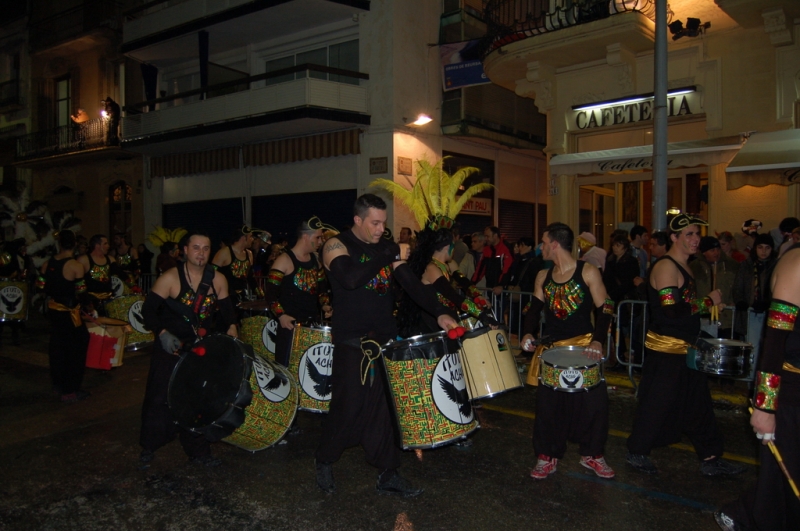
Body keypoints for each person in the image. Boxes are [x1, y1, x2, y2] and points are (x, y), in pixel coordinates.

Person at [314, 194, 457, 497]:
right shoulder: (335, 245)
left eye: (383, 223)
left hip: (384, 343)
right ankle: (325, 459)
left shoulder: (384, 249)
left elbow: (412, 284)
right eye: (374, 223)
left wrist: (440, 311)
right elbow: (350, 278)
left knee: (385, 411)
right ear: (358, 220)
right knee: (348, 407)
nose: (381, 229)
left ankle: (388, 472)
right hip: (352, 344)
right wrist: (388, 253)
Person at [626, 214, 745, 477]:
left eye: (697, 234)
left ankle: (711, 457)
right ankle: (637, 450)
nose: (695, 239)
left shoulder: (685, 266)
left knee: (698, 403)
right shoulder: (666, 267)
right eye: (688, 234)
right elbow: (671, 311)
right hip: (667, 351)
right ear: (674, 237)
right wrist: (707, 302)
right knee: (657, 403)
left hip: (686, 348)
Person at [714, 240, 800, 531]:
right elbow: (774, 344)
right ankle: (746, 515)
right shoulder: (796, 264)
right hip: (789, 390)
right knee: (786, 476)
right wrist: (765, 406)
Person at [521, 222, 616, 480]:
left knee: (592, 405)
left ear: (554, 244)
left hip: (584, 348)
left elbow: (605, 308)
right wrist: (527, 333)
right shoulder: (543, 275)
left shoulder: (588, 271)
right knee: (549, 407)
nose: (540, 247)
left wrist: (597, 341)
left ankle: (592, 455)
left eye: (543, 242)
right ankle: (547, 456)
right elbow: (534, 309)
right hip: (552, 352)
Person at [139, 231, 238, 467]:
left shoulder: (218, 279)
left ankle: (199, 452)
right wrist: (162, 333)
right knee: (159, 397)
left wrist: (233, 327)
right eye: (196, 248)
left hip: (199, 350)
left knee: (198, 401)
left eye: (205, 248)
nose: (201, 253)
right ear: (185, 250)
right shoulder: (170, 278)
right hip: (171, 347)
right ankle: (148, 446)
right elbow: (148, 311)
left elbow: (228, 312)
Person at [397, 225, 496, 337]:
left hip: (447, 316)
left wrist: (478, 296)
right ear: (448, 247)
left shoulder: (450, 264)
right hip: (432, 321)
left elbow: (464, 282)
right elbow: (451, 295)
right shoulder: (431, 268)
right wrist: (481, 314)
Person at [265, 218, 332, 367]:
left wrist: (325, 304)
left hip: (311, 325)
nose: (321, 241)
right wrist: (281, 315)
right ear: (306, 237)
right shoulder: (284, 260)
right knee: (286, 368)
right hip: (290, 326)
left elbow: (321, 289)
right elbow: (270, 293)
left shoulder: (316, 260)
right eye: (318, 237)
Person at [40, 230, 90, 403]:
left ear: (59, 244)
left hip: (54, 312)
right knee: (75, 350)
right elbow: (81, 292)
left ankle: (58, 384)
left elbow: (40, 286)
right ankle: (70, 390)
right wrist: (89, 308)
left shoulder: (47, 264)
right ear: (75, 244)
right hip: (70, 313)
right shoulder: (76, 266)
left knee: (57, 348)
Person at [691, 236, 740, 338]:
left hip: (727, 318)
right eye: (712, 250)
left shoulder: (732, 265)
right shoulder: (694, 267)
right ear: (704, 252)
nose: (716, 253)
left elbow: (738, 287)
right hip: (703, 318)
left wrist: (735, 302)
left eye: (718, 249)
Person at [732, 233, 777, 339]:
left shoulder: (776, 266)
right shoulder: (746, 265)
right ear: (755, 248)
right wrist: (740, 302)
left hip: (769, 313)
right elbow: (738, 286)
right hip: (749, 311)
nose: (763, 251)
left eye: (767, 248)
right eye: (760, 247)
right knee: (751, 344)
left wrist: (768, 303)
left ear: (772, 249)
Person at [212, 226, 258, 305]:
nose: (252, 239)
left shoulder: (249, 254)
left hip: (242, 296)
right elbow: (212, 274)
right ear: (244, 238)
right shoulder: (224, 252)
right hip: (226, 296)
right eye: (251, 236)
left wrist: (260, 293)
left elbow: (251, 277)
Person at [77, 234, 113, 316]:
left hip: (108, 303)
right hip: (90, 302)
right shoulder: (83, 260)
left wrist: (133, 286)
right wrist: (88, 304)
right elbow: (78, 283)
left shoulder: (111, 259)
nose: (108, 246)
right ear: (97, 246)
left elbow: (120, 275)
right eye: (105, 243)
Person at [603, 235, 640, 305]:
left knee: (621, 314)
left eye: (618, 245)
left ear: (625, 247)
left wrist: (614, 293)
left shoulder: (631, 261)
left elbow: (630, 282)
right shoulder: (610, 260)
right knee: (608, 314)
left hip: (623, 298)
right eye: (613, 245)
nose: (615, 248)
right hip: (609, 296)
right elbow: (606, 278)